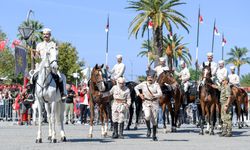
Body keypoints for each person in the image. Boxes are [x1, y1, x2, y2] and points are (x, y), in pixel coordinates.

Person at [31, 28, 66, 100]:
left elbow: (56, 54)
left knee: (59, 77)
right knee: (33, 78)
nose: (45, 36)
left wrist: (50, 53)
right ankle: (32, 94)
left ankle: (62, 94)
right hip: (41, 65)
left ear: (50, 35)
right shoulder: (39, 45)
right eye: (44, 34)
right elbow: (37, 57)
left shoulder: (53, 44)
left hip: (51, 65)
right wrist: (33, 54)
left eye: (47, 34)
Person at [134, 71, 162, 141]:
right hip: (146, 102)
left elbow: (160, 93)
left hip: (154, 103)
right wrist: (139, 94)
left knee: (154, 121)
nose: (149, 79)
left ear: (153, 78)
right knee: (147, 116)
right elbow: (136, 88)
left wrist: (155, 95)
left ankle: (154, 135)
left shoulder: (156, 85)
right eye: (148, 78)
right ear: (147, 78)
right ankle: (149, 129)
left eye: (151, 78)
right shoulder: (143, 84)